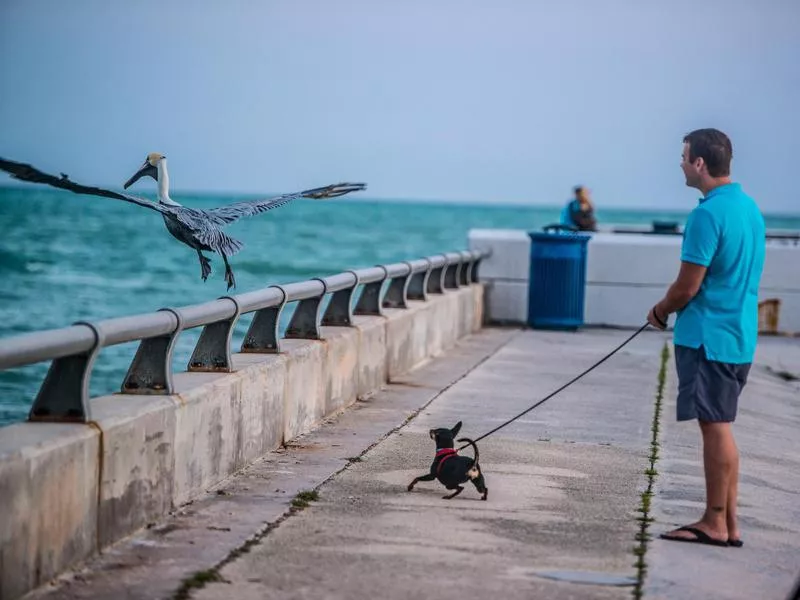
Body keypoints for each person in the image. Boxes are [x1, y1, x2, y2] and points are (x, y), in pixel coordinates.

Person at [647, 128, 765, 548]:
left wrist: (660, 311)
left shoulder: (706, 214)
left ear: (700, 163)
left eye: (683, 156)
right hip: (738, 336)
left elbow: (687, 287)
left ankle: (715, 521)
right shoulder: (749, 209)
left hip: (707, 339)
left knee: (715, 427)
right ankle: (728, 523)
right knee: (723, 425)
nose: (680, 163)